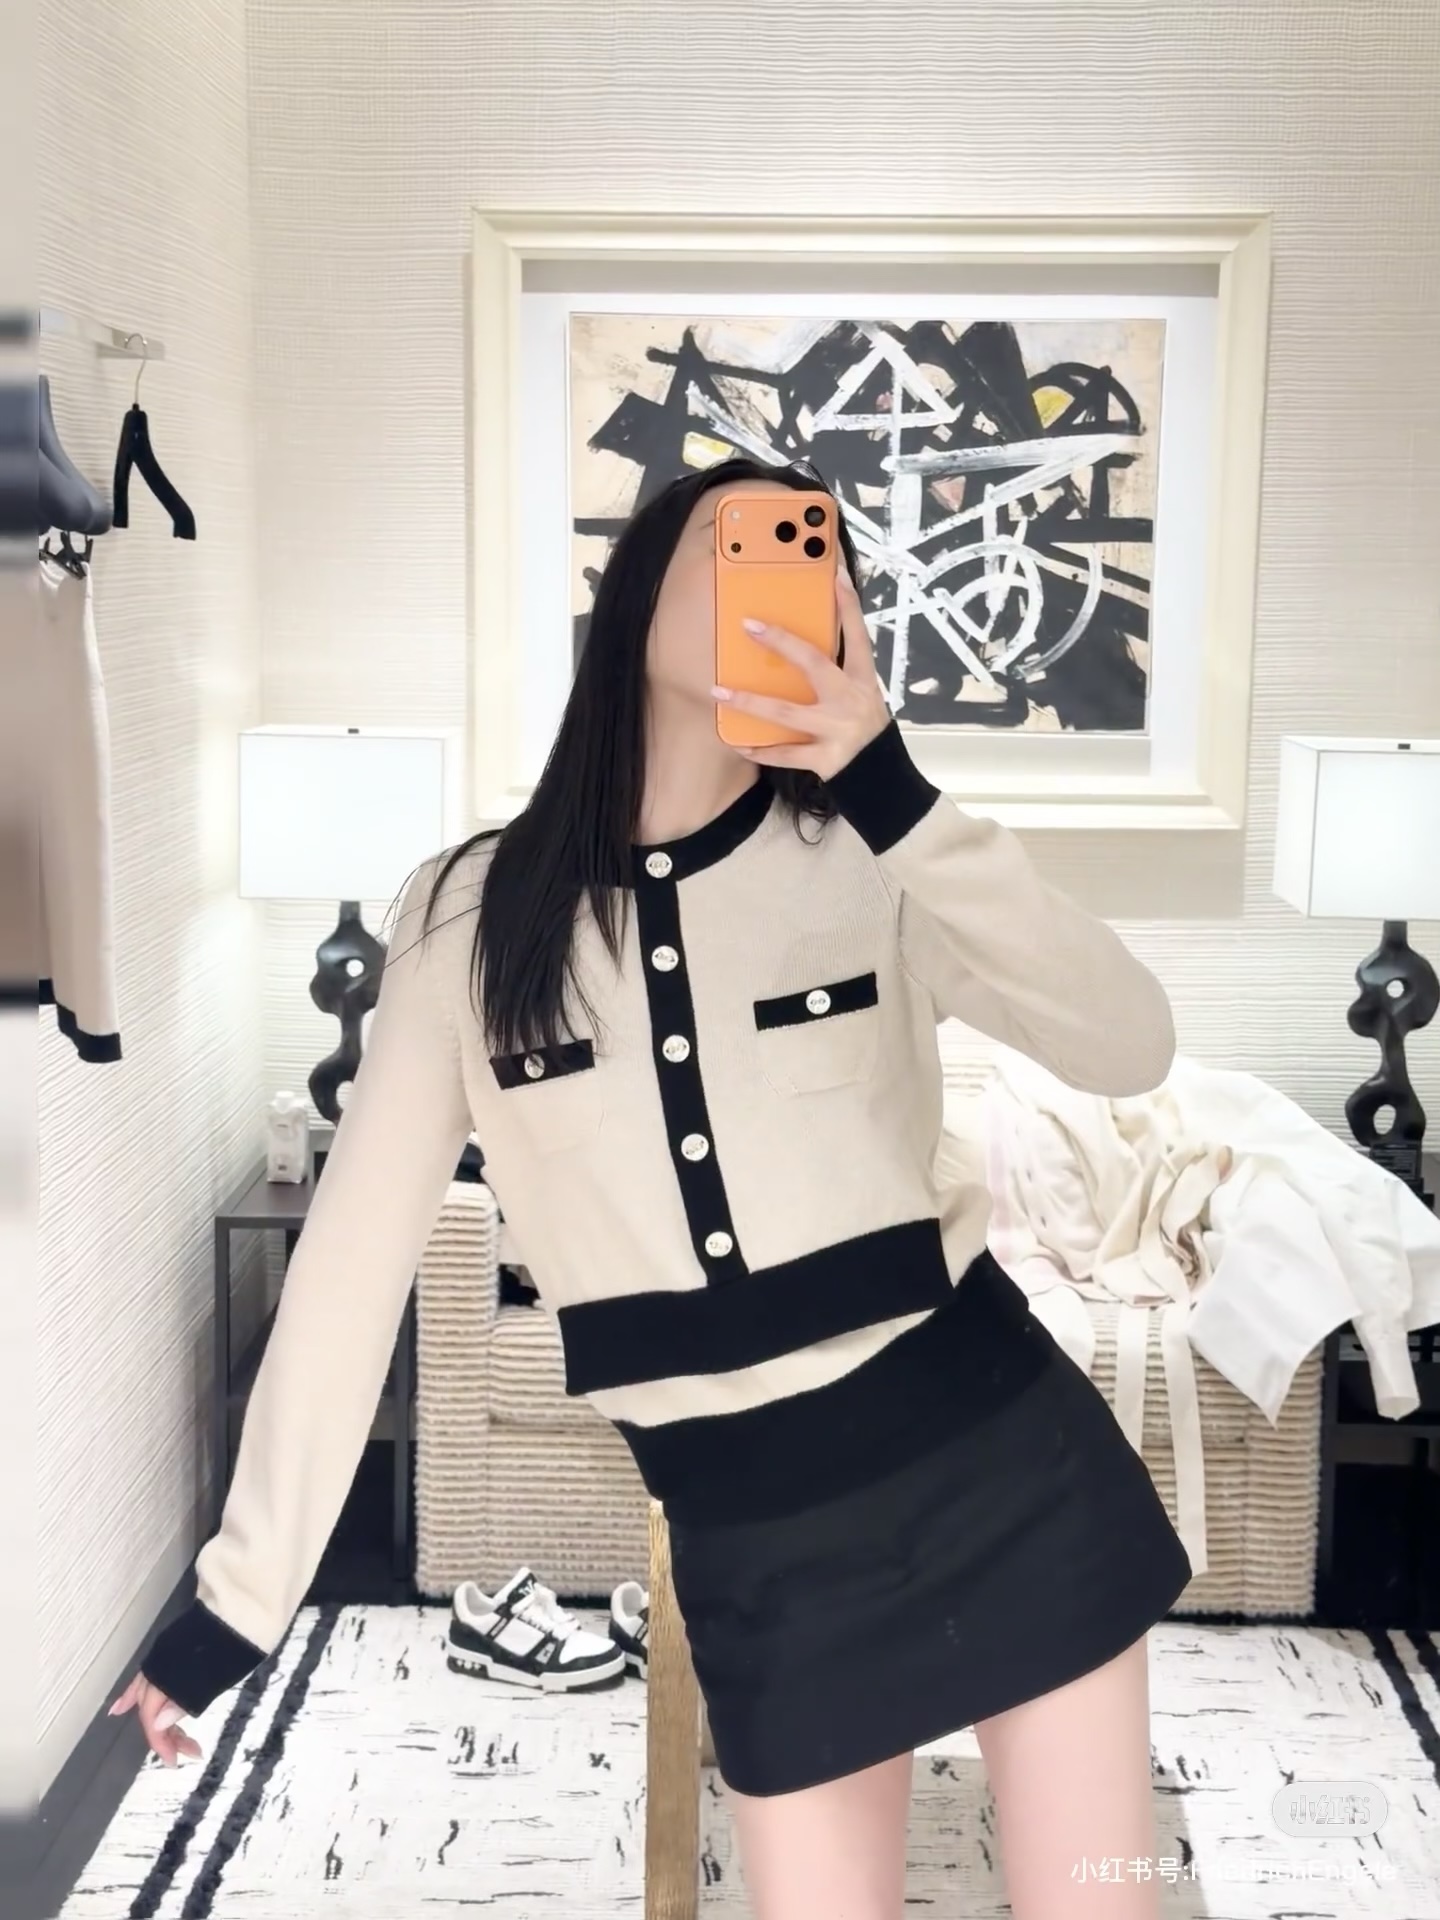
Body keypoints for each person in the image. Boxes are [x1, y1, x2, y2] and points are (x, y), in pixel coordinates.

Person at [113, 457, 1191, 1919]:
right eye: (736, 545)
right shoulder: (464, 923)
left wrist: (893, 788)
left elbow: (1129, 1044)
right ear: (632, 599)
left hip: (1011, 1474)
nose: (785, 580)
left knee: (1106, 1900)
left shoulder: (874, 856)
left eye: (818, 561)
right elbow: (348, 1276)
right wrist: (236, 1603)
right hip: (758, 1551)